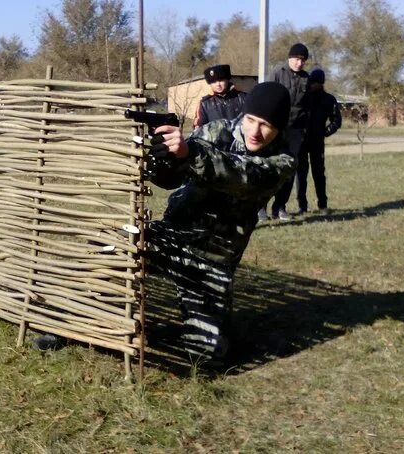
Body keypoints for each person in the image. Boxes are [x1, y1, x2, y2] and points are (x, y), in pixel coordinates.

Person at [35, 83, 296, 363]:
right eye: (251, 120)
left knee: (207, 356)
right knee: (107, 247)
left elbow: (241, 175)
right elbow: (171, 179)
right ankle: (65, 320)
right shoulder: (216, 130)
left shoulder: (283, 161)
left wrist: (189, 154)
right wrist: (164, 158)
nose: (255, 131)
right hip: (171, 237)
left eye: (266, 125)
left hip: (211, 262)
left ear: (279, 127)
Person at [259, 43, 310, 221]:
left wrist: (304, 128)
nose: (299, 63)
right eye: (297, 59)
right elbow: (266, 98)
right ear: (289, 58)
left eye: (303, 60)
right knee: (269, 168)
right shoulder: (277, 72)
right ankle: (261, 208)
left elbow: (307, 106)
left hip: (295, 131)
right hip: (275, 128)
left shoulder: (306, 78)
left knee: (288, 169)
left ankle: (280, 207)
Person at [296, 68, 341, 216]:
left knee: (318, 174)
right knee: (301, 174)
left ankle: (323, 204)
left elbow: (337, 120)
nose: (312, 85)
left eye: (315, 83)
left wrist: (325, 132)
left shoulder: (329, 100)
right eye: (311, 82)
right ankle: (302, 206)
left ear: (321, 83)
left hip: (317, 142)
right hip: (302, 141)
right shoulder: (303, 98)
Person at [193, 64, 246, 129]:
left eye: (221, 80)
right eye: (214, 82)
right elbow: (199, 129)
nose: (218, 84)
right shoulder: (204, 104)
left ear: (227, 79)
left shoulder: (243, 98)